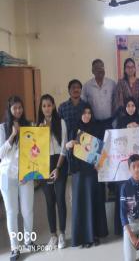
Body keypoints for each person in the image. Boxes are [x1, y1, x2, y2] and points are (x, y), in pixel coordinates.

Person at [65, 105, 108, 248]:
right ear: (80, 114)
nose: (87, 115)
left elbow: (103, 149)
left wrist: (99, 163)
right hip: (79, 172)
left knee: (93, 202)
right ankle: (82, 237)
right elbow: (68, 150)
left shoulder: (97, 128)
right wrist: (68, 145)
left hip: (92, 171)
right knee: (81, 204)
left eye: (89, 113)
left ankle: (94, 235)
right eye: (84, 113)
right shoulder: (74, 129)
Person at [0, 96, 34, 261]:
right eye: (15, 108)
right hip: (7, 177)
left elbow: (36, 150)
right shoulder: (2, 128)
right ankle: (15, 247)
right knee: (12, 212)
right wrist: (12, 135)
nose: (18, 111)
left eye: (20, 107)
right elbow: (0, 154)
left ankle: (28, 240)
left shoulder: (29, 126)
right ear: (10, 109)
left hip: (26, 175)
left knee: (27, 210)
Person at [37, 94, 68, 250]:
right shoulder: (38, 126)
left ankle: (62, 233)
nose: (47, 108)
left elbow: (63, 147)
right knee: (49, 201)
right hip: (44, 164)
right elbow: (34, 152)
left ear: (54, 106)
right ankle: (53, 236)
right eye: (44, 106)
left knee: (60, 199)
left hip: (59, 163)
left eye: (49, 105)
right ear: (41, 108)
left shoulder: (61, 122)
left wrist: (57, 168)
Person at [114, 97, 139, 236]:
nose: (131, 108)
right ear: (124, 107)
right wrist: (126, 128)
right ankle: (122, 226)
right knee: (124, 194)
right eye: (128, 105)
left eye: (133, 105)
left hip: (138, 165)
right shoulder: (120, 121)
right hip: (123, 166)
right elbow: (115, 139)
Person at [82, 59, 116, 139]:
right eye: (97, 68)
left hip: (109, 122)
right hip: (94, 124)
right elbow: (84, 106)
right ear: (92, 71)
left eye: (102, 67)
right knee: (97, 149)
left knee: (110, 148)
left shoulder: (112, 84)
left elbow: (116, 102)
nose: (100, 70)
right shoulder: (87, 86)